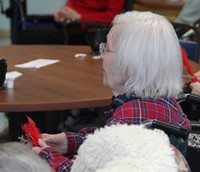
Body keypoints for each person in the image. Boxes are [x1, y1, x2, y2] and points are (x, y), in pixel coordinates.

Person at [32, 11, 191, 172]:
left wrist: (47, 156)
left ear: (128, 65)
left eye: (106, 49)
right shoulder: (161, 101)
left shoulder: (133, 117)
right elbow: (110, 142)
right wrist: (72, 141)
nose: (101, 56)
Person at [18, 0, 125, 45]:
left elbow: (113, 17)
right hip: (70, 24)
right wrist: (62, 12)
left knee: (30, 36)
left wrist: (79, 17)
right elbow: (72, 3)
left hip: (88, 30)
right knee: (26, 33)